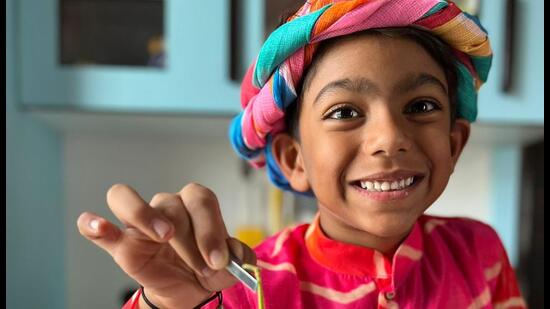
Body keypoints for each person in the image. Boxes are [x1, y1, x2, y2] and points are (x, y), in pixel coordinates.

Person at [77, 0, 527, 308]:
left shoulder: (478, 251)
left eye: (421, 107)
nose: (390, 138)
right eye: (346, 111)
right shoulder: (239, 285)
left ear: (454, 144)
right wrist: (169, 302)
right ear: (293, 159)